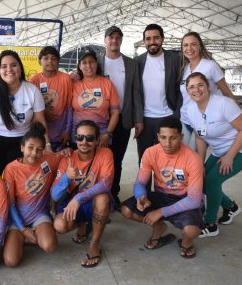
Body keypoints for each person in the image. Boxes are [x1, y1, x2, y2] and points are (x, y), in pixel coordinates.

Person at [186, 72, 242, 237]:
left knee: (213, 180)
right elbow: (200, 137)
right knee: (201, 180)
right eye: (191, 87)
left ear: (208, 87)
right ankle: (231, 207)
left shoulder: (224, 104)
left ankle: (210, 224)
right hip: (219, 150)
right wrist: (200, 164)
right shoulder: (190, 109)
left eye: (200, 85)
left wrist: (230, 156)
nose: (196, 90)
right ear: (187, 91)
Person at [121, 117, 204, 258]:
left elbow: (194, 200)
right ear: (158, 136)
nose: (167, 143)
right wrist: (140, 196)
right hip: (161, 196)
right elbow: (140, 183)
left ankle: (186, 242)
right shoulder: (150, 152)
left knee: (191, 230)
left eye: (173, 138)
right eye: (163, 137)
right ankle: (158, 227)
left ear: (181, 137)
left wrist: (160, 212)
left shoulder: (193, 158)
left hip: (184, 199)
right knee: (126, 210)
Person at [0, 50, 50, 175]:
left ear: (20, 68)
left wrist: (47, 145)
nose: (9, 69)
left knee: (18, 179)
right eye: (4, 66)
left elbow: (40, 121)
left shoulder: (32, 90)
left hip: (22, 143)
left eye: (13, 65)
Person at [52, 120, 114, 268]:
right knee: (59, 226)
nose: (84, 142)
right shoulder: (67, 158)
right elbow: (54, 195)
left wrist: (79, 198)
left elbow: (105, 184)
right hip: (73, 203)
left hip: (92, 202)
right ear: (75, 139)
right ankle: (83, 225)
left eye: (90, 138)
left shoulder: (105, 153)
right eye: (80, 137)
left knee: (102, 199)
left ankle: (94, 243)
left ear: (97, 140)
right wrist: (66, 177)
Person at [2, 122, 63, 267]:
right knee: (11, 261)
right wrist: (22, 229)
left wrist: (66, 151)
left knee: (49, 246)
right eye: (30, 148)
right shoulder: (11, 168)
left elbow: (64, 156)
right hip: (17, 218)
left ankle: (35, 234)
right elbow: (9, 204)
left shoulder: (48, 159)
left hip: (39, 215)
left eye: (39, 149)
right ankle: (20, 237)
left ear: (43, 151)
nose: (34, 153)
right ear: (22, 147)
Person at [99, 25, 143, 210]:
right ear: (105, 41)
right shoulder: (97, 62)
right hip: (100, 120)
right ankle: (99, 195)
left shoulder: (131, 64)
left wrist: (138, 119)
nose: (114, 40)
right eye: (111, 37)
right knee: (99, 159)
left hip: (123, 120)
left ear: (121, 40)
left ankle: (113, 194)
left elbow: (136, 93)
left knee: (117, 159)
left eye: (117, 38)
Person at [135, 24, 181, 191]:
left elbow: (180, 89)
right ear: (144, 41)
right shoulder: (138, 61)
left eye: (155, 38)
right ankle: (145, 197)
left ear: (162, 39)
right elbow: (136, 93)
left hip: (168, 117)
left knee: (168, 160)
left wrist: (176, 115)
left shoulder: (174, 60)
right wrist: (138, 119)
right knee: (145, 160)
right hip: (145, 120)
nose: (152, 42)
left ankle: (165, 194)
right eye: (148, 39)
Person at [179, 31, 237, 149]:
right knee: (182, 157)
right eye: (185, 45)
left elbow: (227, 93)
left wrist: (238, 116)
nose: (189, 48)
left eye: (193, 44)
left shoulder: (211, 66)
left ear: (200, 45)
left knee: (194, 157)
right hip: (184, 119)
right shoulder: (183, 68)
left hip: (203, 121)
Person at [71, 48, 120, 148]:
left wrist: (107, 134)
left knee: (101, 162)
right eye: (84, 62)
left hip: (101, 136)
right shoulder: (73, 84)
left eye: (91, 62)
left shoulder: (107, 84)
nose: (88, 66)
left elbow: (115, 112)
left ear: (96, 64)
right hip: (78, 136)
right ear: (79, 66)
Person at [29, 46, 73, 151]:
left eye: (53, 58)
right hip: (41, 133)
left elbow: (69, 107)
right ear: (39, 61)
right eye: (46, 58)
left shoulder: (65, 79)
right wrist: (43, 111)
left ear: (58, 61)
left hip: (60, 133)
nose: (50, 61)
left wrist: (67, 130)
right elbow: (30, 109)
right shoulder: (34, 80)